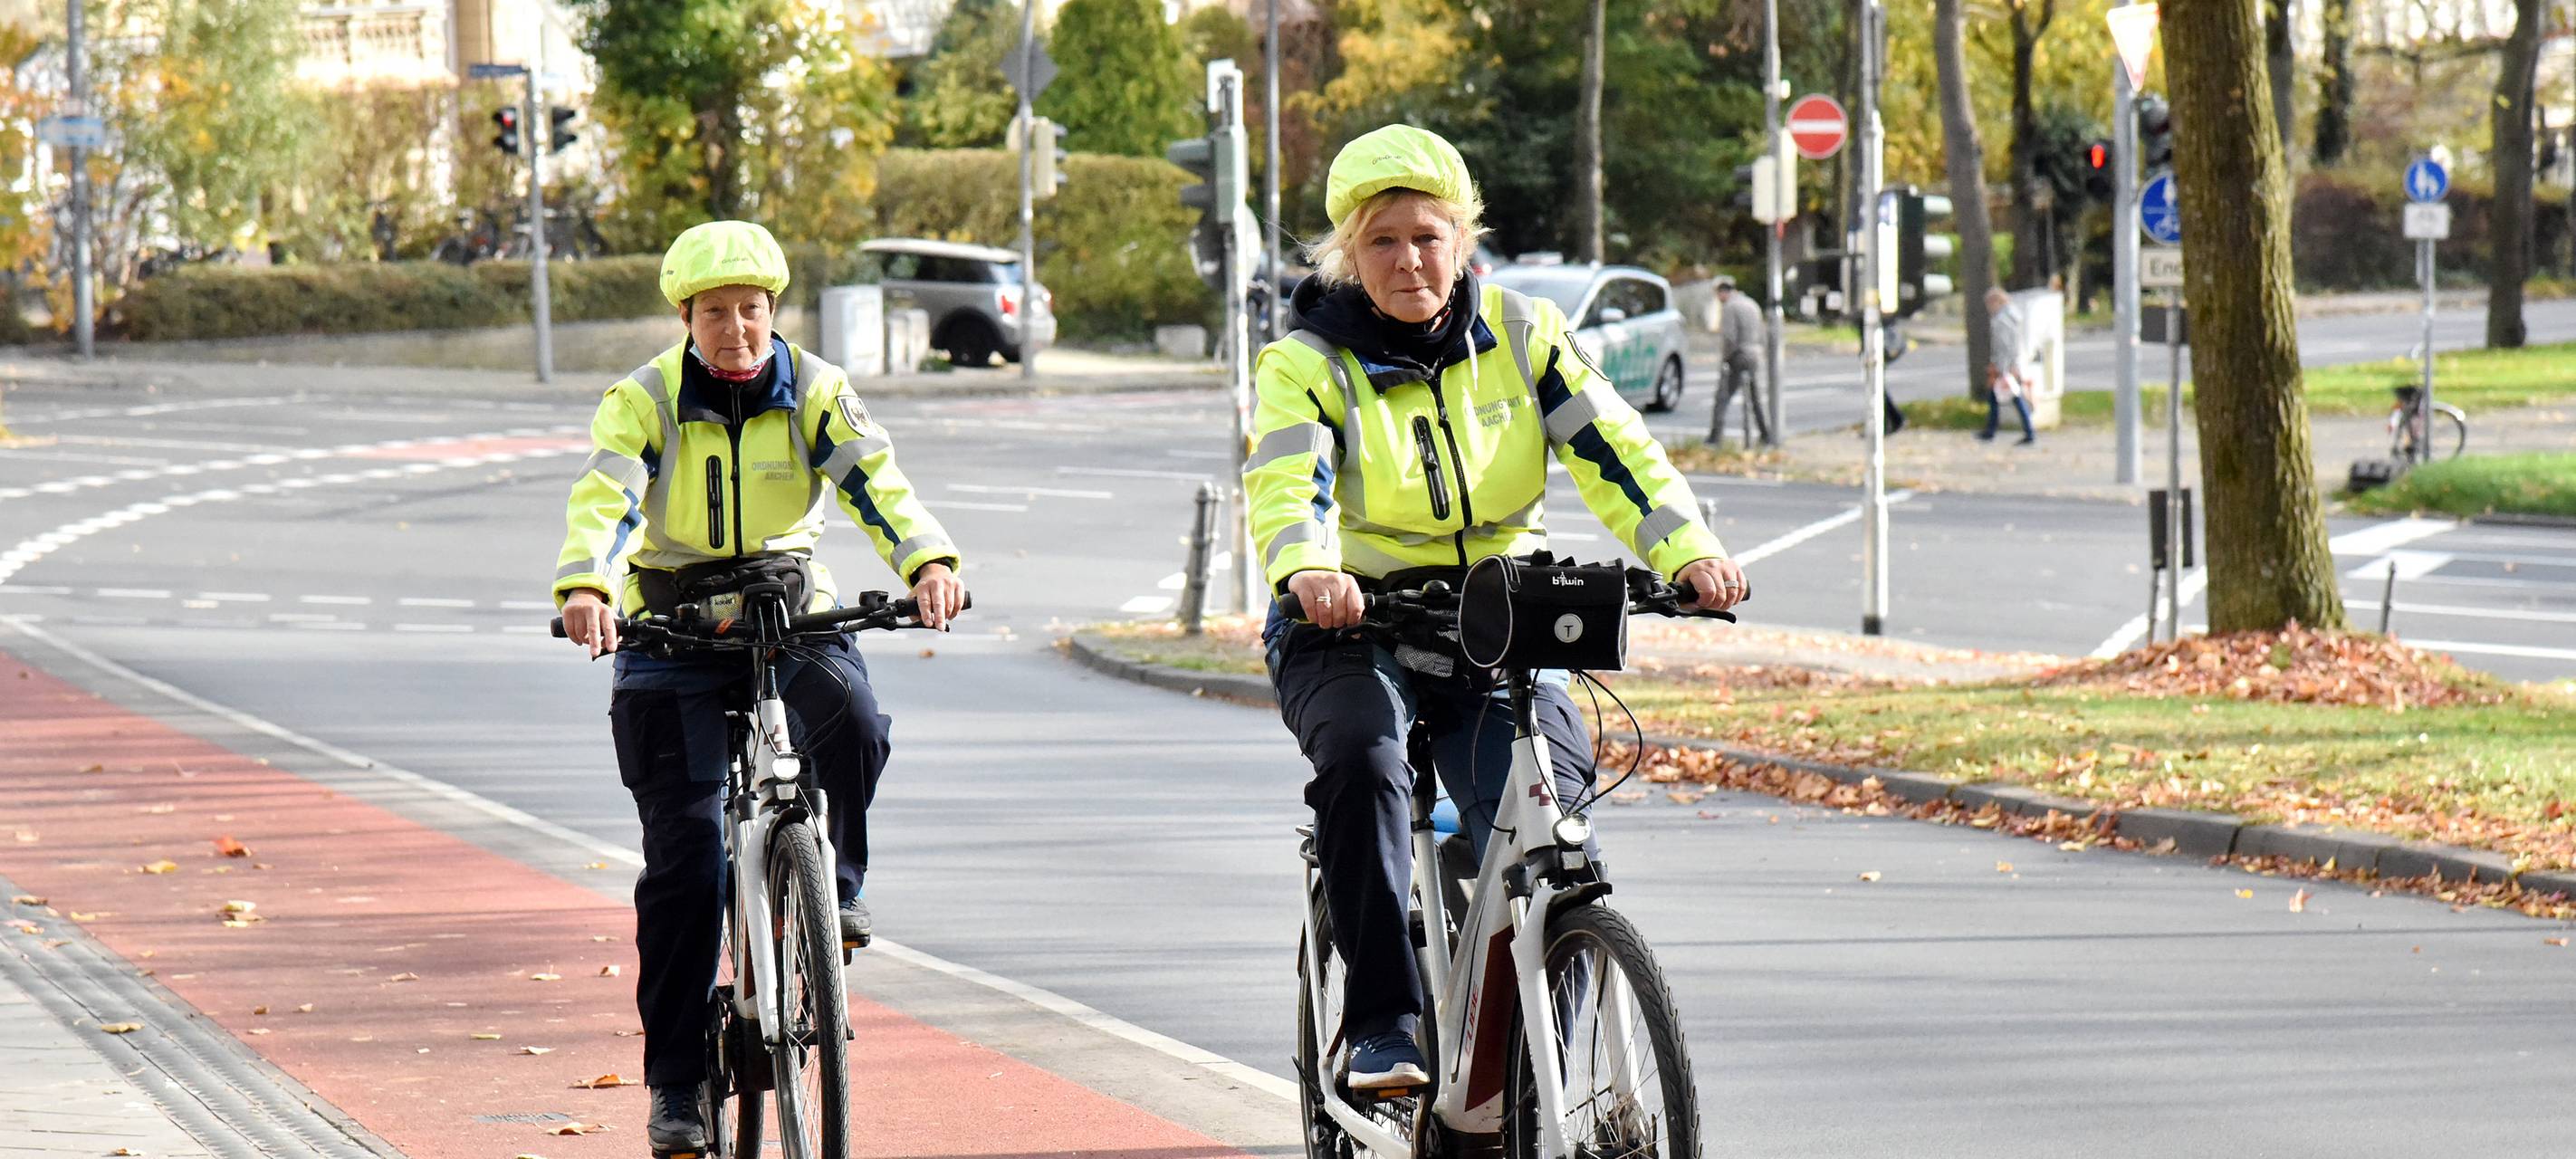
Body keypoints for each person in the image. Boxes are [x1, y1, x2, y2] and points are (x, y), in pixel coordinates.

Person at [1244, 124, 1749, 1092]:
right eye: (1382, 241)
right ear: (1348, 255)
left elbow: (1618, 453)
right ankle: (1384, 1020)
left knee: (1552, 828)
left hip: (1501, 620)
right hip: (1350, 625)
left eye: (1427, 236)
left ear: (1464, 243)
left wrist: (1688, 551)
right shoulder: (1305, 361)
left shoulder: (1525, 333)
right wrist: (1307, 569)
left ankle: (1535, 1074)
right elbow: (1286, 484)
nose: (1409, 260)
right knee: (1365, 765)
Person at [551, 220, 966, 1156]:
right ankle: (675, 1085)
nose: (735, 329)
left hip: (790, 614)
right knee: (685, 859)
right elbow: (606, 499)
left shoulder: (818, 392)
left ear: (775, 312)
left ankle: (837, 892)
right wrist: (585, 584)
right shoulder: (645, 399)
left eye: (751, 310)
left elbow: (879, 486)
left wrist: (929, 560)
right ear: (685, 318)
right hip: (667, 627)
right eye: (714, 313)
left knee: (853, 719)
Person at [1706, 275, 1773, 446]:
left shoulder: (1730, 307)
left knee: (1722, 397)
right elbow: (1762, 332)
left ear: (1723, 293)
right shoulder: (1751, 304)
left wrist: (1725, 359)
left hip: (1739, 355)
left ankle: (1715, 435)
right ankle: (1766, 434)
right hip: (1755, 354)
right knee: (1755, 397)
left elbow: (1729, 338)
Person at [1979, 286, 2037, 445]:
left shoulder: (2001, 321)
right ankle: (1991, 429)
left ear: (1997, 302)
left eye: (1989, 304)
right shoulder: (2013, 316)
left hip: (2007, 366)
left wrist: (2001, 368)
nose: (1989, 309)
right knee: (1999, 397)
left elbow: (2005, 347)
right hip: (2014, 363)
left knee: (2014, 397)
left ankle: (2028, 432)